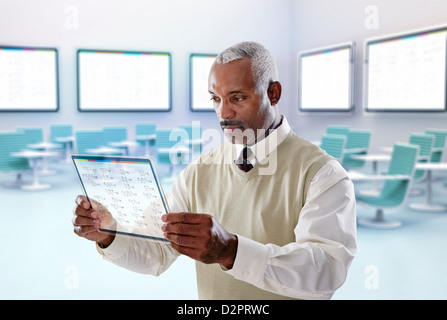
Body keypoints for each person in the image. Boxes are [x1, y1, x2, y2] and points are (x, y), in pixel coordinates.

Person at [72, 41, 357, 300]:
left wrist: (232, 251)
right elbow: (156, 251)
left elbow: (326, 270)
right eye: (215, 99)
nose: (223, 113)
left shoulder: (322, 174)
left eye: (237, 98)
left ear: (273, 93)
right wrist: (110, 233)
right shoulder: (198, 173)